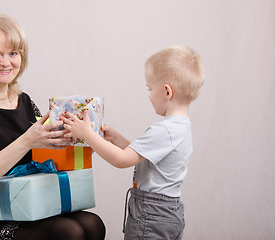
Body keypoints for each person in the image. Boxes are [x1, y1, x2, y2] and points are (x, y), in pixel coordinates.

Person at [0, 13, 105, 240]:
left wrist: (86, 140)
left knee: (92, 224)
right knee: (69, 232)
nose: (5, 62)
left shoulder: (25, 101)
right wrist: (26, 141)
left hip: (28, 207)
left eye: (13, 53)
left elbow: (46, 159)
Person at [61, 45, 204, 240]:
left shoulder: (164, 130)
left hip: (151, 214)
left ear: (167, 92)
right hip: (169, 211)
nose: (149, 95)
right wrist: (117, 138)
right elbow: (147, 157)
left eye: (150, 88)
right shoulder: (182, 127)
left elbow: (122, 160)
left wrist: (87, 134)